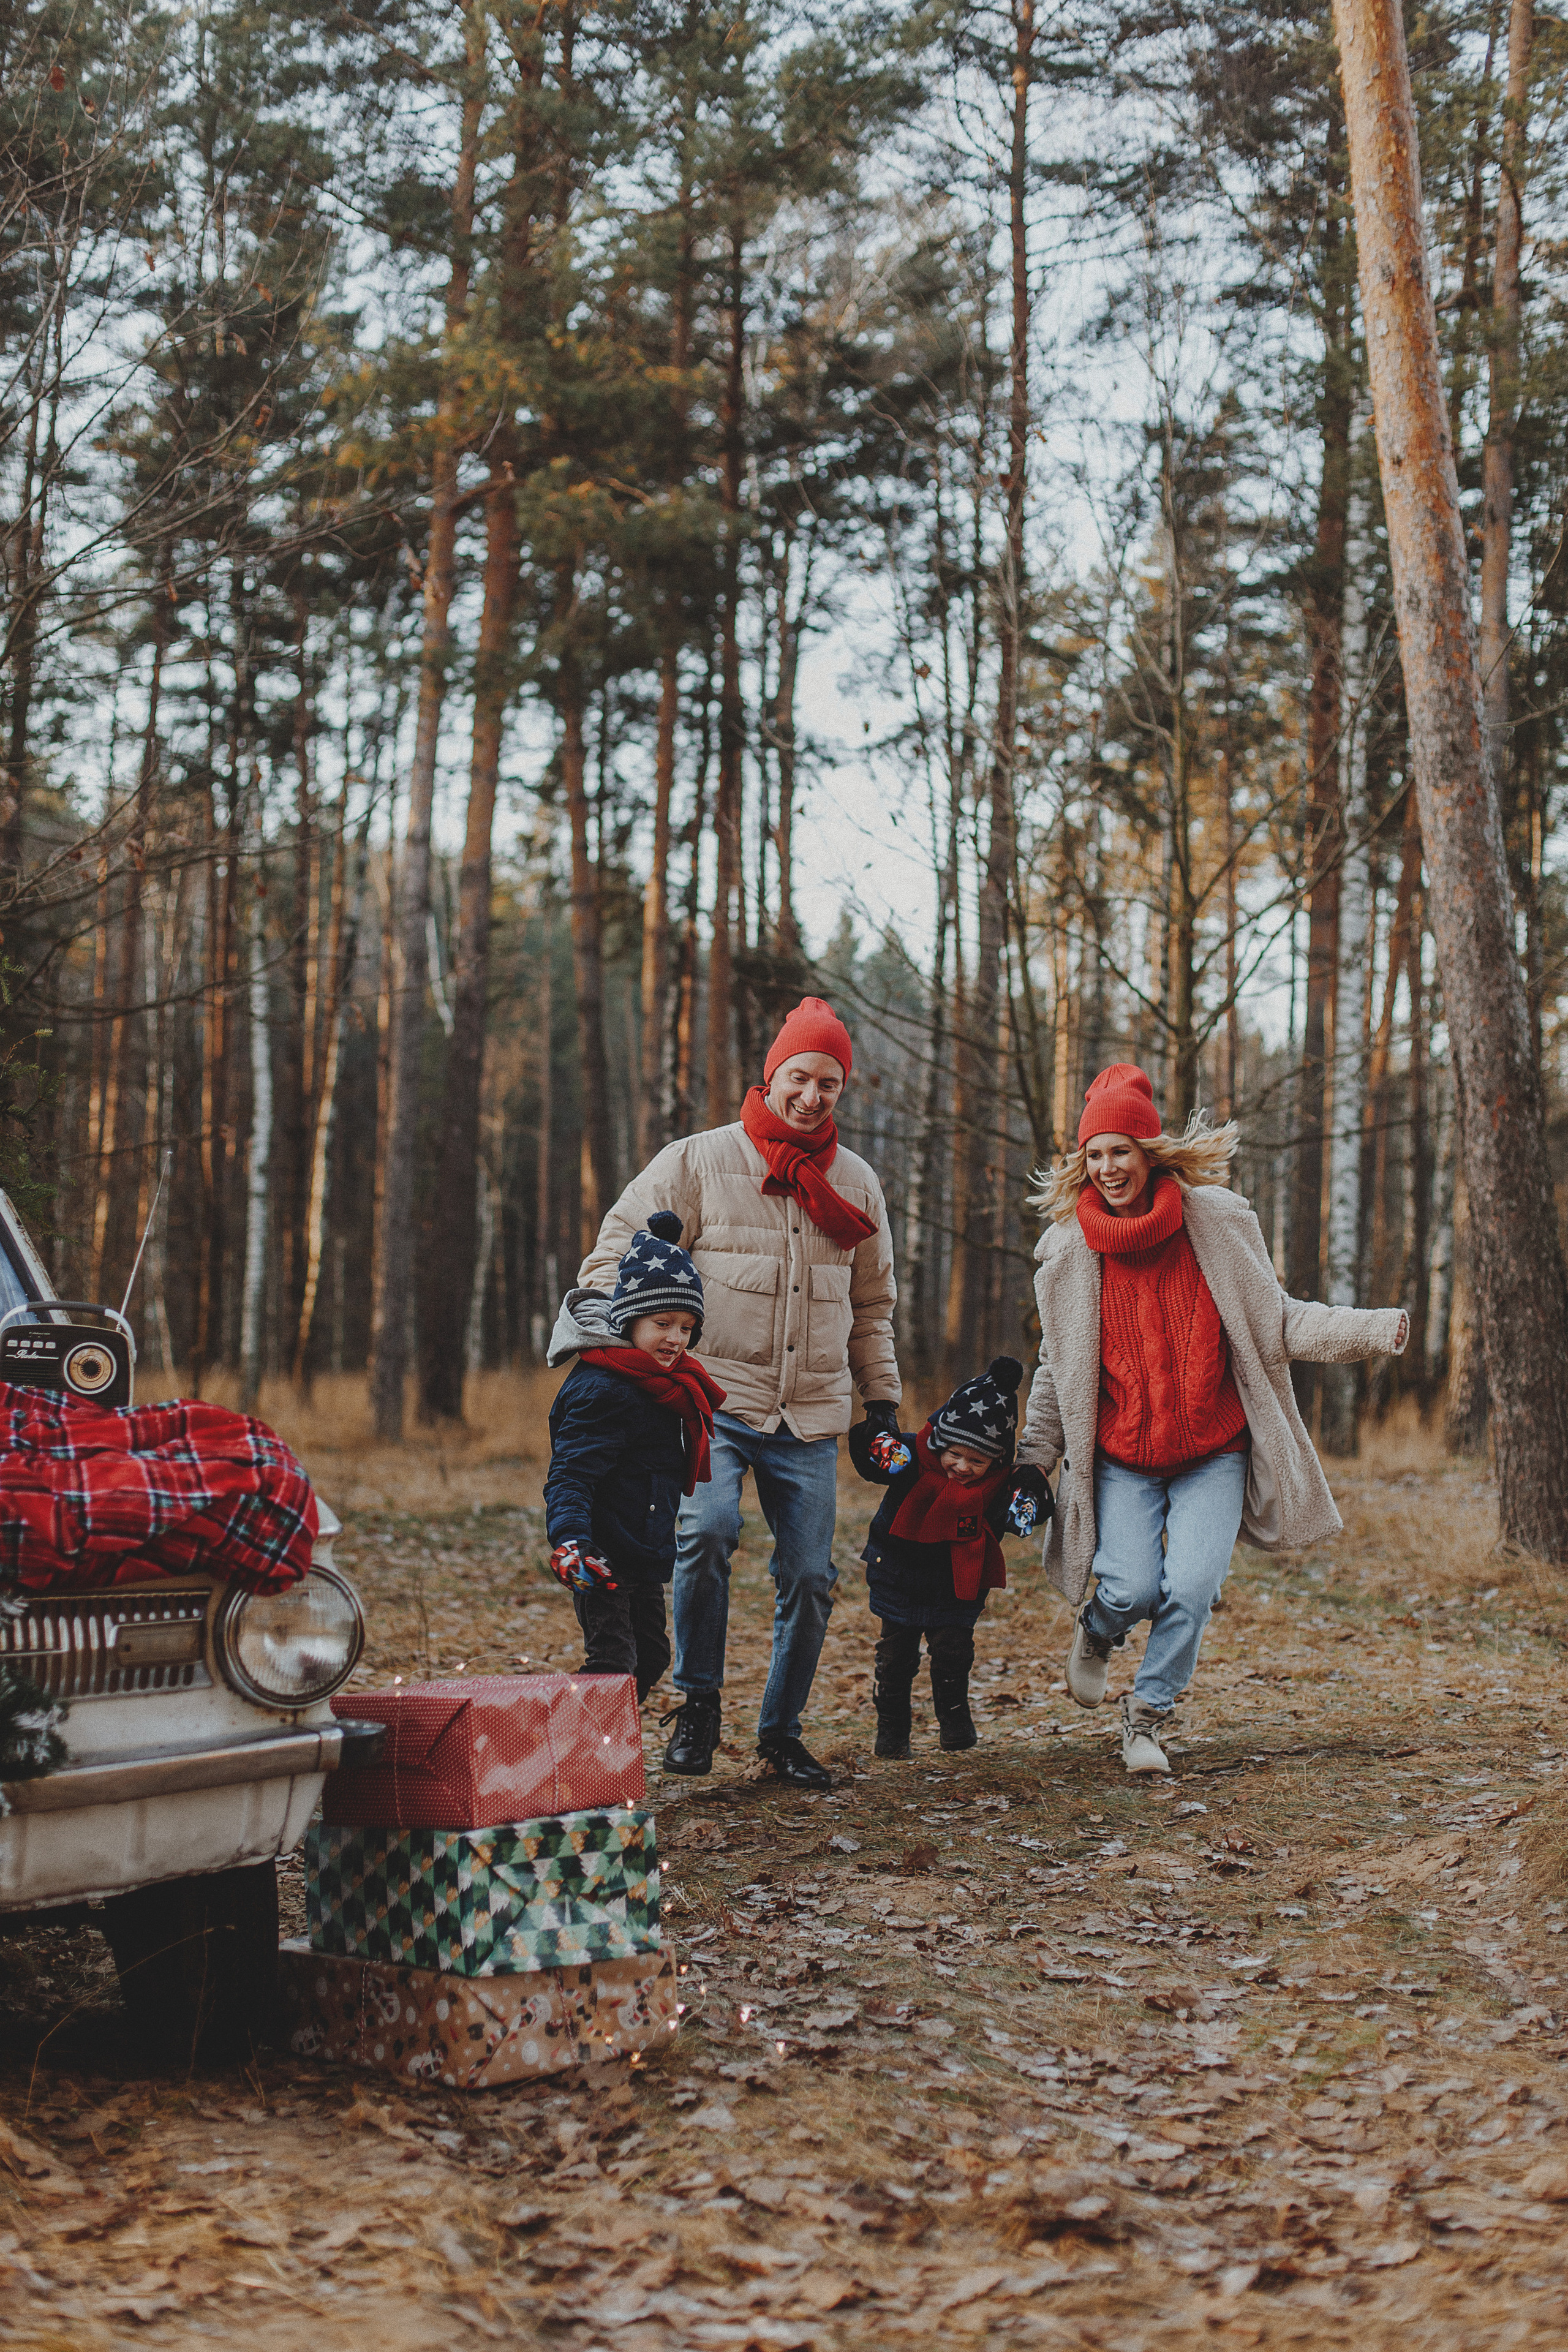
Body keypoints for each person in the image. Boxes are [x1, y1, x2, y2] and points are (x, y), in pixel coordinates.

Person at [1019, 1063, 1408, 1777]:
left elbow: (1278, 1321)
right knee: (1131, 1587)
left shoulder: (1217, 1225)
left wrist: (1373, 1329)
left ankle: (1147, 1718)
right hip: (1123, 1458)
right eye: (1095, 1154)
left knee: (1191, 1586)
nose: (1108, 1168)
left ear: (1149, 1153)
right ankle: (1098, 1630)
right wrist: (1032, 1455)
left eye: (1121, 1151)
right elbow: (1057, 1368)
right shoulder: (1070, 1252)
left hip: (1212, 1451)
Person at [576, 997, 900, 1791]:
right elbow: (611, 1256)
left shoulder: (855, 1183)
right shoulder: (698, 1161)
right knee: (708, 1532)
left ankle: (782, 1735)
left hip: (810, 1414)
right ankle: (699, 1705)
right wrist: (634, 1349)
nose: (813, 1094)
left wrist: (881, 1406)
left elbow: (872, 1307)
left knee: (811, 1578)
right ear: (773, 1074)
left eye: (830, 1082)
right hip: (710, 1403)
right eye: (800, 1076)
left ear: (841, 1090)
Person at [544, 1212, 725, 1701]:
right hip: (601, 1553)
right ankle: (580, 1757)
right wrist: (571, 1539)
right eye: (662, 1324)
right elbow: (570, 1477)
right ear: (629, 1321)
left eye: (687, 1328)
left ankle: (603, 1745)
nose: (675, 1339)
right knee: (613, 1663)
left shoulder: (663, 1386)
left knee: (651, 1657)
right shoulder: (605, 1389)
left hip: (641, 1551)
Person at [850, 1356, 1051, 1756]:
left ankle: (955, 1723)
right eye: (955, 1455)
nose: (962, 1467)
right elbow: (872, 1457)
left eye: (977, 1462)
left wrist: (1030, 1495)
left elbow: (1027, 1512)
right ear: (941, 1444)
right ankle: (892, 1731)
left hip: (959, 1583)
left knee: (953, 1654)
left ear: (995, 1462)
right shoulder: (911, 1458)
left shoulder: (998, 1487)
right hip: (899, 1574)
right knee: (895, 1658)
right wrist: (875, 1440)